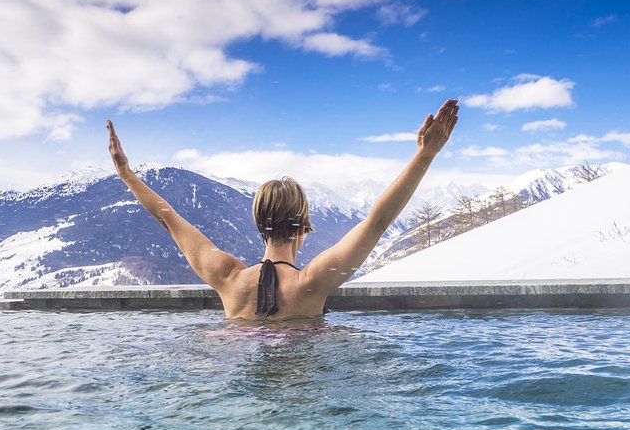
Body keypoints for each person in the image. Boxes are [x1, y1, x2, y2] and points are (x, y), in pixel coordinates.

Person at [108, 99, 459, 319]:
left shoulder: (227, 278)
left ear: (259, 223)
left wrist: (126, 174)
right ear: (303, 227)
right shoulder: (311, 283)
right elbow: (378, 220)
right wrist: (425, 154)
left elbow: (168, 219)